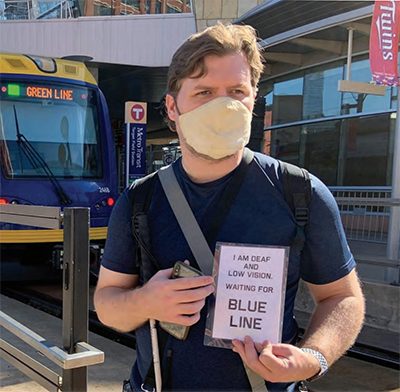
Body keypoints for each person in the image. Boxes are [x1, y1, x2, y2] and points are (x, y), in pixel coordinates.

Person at [94, 23, 365, 391]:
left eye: (236, 91)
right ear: (172, 108)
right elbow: (107, 303)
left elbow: (342, 297)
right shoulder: (140, 200)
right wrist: (145, 302)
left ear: (253, 99)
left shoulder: (301, 194)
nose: (223, 106)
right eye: (204, 92)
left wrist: (313, 358)